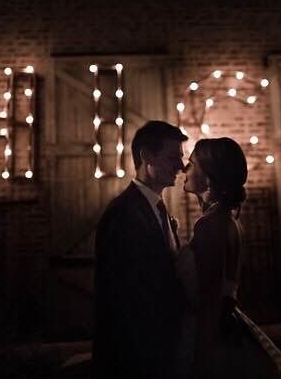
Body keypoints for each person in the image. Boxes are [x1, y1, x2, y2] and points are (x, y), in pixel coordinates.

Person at [92, 120, 187, 379]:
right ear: (147, 157)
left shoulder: (158, 210)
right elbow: (122, 295)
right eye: (173, 157)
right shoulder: (122, 214)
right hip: (135, 357)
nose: (181, 166)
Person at [176, 137, 247, 378]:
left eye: (192, 164)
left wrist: (201, 361)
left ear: (208, 176)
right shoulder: (228, 220)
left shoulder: (211, 226)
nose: (185, 169)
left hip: (205, 336)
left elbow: (211, 301)